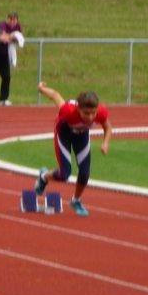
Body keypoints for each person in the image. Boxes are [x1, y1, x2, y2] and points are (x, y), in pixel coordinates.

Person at [34, 81, 112, 217]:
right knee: (65, 174)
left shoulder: (101, 112)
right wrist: (41, 89)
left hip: (81, 136)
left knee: (85, 172)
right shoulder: (68, 111)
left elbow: (108, 127)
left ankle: (76, 200)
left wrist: (105, 143)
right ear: (78, 109)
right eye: (86, 113)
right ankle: (44, 176)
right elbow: (55, 95)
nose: (90, 117)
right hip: (64, 134)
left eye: (93, 113)